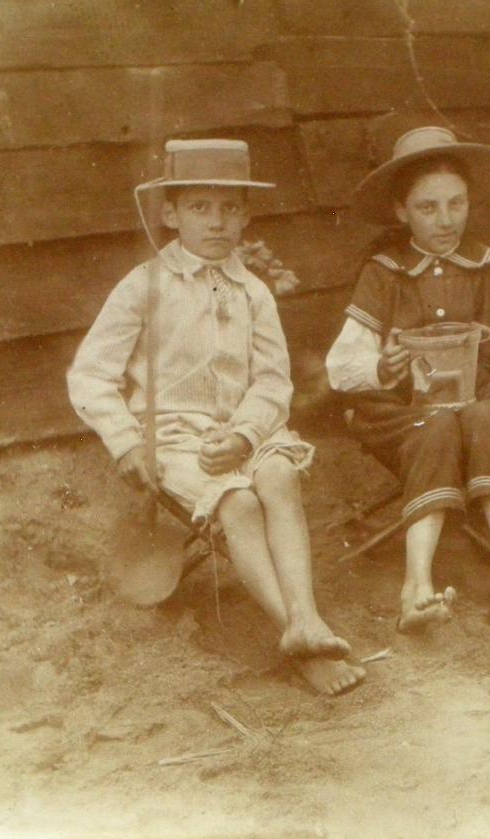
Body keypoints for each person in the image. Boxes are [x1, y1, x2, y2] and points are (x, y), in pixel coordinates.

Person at [67, 139, 364, 695]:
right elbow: (89, 375)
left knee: (279, 475)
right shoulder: (143, 286)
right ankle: (298, 637)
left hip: (246, 430)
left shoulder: (254, 293)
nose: (216, 221)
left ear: (246, 216)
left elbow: (273, 381)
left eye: (229, 207)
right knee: (240, 502)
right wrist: (126, 442)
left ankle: (306, 618)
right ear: (170, 214)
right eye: (200, 207)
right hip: (174, 438)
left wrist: (247, 435)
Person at [326, 125, 490, 635]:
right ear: (402, 211)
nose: (446, 220)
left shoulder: (487, 267)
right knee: (438, 425)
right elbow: (342, 364)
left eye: (456, 204)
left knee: (484, 416)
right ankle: (416, 588)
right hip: (402, 414)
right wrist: (382, 367)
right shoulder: (384, 272)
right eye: (428, 207)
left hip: (478, 403)